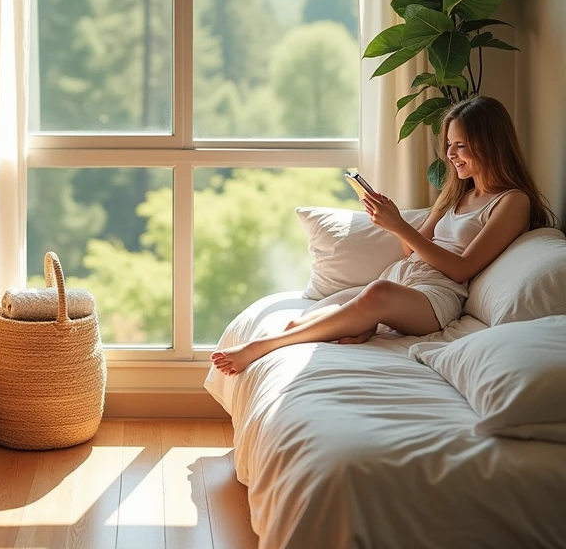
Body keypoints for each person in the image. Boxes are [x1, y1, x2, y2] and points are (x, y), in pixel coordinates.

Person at [211, 96, 556, 376]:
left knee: (374, 294)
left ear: (490, 145)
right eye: (449, 144)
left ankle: (260, 349)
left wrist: (401, 226)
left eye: (461, 145)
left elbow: (463, 268)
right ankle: (360, 326)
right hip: (406, 278)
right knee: (300, 320)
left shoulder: (512, 201)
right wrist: (390, 221)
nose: (450, 155)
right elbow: (411, 251)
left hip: (438, 298)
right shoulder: (457, 193)